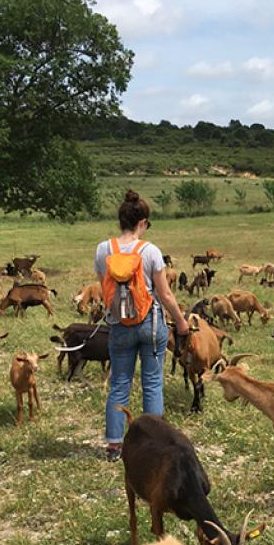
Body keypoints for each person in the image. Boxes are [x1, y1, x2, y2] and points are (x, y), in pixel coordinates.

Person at [95, 190, 189, 460]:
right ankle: (155, 443)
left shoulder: (104, 250)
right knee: (152, 382)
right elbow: (165, 294)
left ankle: (114, 445)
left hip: (119, 324)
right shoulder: (150, 251)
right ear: (142, 223)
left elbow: (104, 288)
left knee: (120, 384)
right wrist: (181, 323)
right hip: (151, 323)